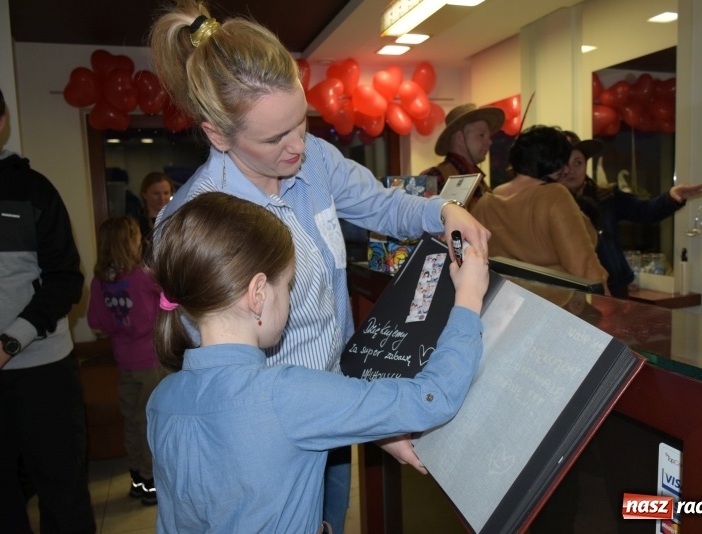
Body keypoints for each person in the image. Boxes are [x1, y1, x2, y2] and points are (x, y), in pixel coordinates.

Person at [148, 2, 490, 531]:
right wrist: (365, 416)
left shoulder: (315, 159)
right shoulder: (195, 220)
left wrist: (442, 211)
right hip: (274, 429)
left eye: (301, 123)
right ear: (218, 135)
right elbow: (221, 370)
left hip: (333, 399)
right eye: (273, 138)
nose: (297, 148)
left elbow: (380, 205)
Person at [146, 192, 489, 534]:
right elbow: (432, 399)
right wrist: (468, 299)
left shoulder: (161, 399)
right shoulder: (286, 394)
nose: (289, 299)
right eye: (288, 285)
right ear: (258, 294)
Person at [0, 70, 96, 532]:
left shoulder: (34, 190)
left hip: (42, 371)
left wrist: (5, 345)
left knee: (63, 495)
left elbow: (66, 280)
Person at [556, 130, 702, 297]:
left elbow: (644, 211)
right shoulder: (549, 204)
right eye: (564, 163)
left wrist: (671, 198)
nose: (571, 170)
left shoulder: (605, 196)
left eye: (578, 162)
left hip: (614, 288)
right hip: (570, 291)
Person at [471, 125, 609, 293]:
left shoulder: (485, 203)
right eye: (563, 162)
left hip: (503, 301)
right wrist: (607, 302)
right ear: (551, 162)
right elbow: (585, 267)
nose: (567, 169)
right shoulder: (554, 195)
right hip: (555, 304)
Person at [87, 216, 163, 506]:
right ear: (131, 242)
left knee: (132, 421)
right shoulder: (143, 276)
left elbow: (96, 322)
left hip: (124, 362)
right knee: (149, 423)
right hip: (150, 362)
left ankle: (137, 481)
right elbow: (171, 298)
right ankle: (151, 482)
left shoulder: (100, 282)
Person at [419, 103, 505, 208]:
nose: (489, 142)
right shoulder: (432, 177)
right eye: (481, 135)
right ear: (460, 138)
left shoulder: (479, 180)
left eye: (488, 136)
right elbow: (418, 217)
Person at [136, 171, 174, 257]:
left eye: (166, 193)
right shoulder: (136, 224)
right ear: (144, 194)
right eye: (156, 193)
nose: (162, 198)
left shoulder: (176, 220)